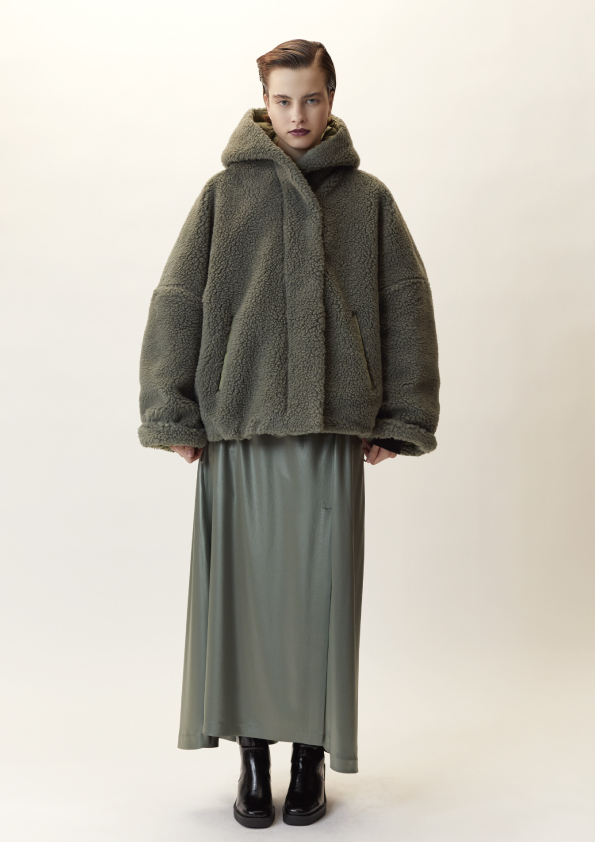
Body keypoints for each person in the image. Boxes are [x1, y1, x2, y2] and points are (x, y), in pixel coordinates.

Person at [137, 38, 440, 829]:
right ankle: (252, 759)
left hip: (329, 431)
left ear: (331, 99)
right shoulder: (223, 196)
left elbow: (405, 304)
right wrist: (172, 411)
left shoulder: (367, 199)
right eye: (282, 99)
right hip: (237, 430)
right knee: (240, 605)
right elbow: (178, 301)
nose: (297, 114)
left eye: (310, 98)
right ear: (262, 103)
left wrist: (401, 418)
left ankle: (309, 759)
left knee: (318, 603)